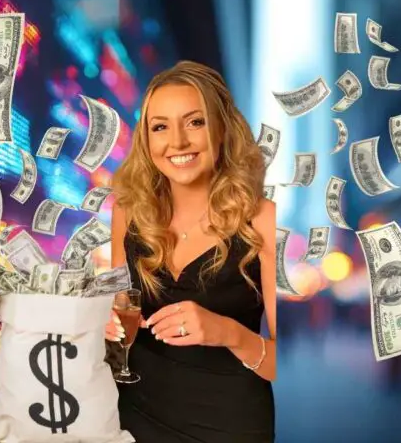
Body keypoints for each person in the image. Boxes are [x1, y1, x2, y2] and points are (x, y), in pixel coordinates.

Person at [106, 60, 276, 442]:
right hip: (132, 418)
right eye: (160, 126)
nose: (177, 142)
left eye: (195, 122)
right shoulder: (126, 212)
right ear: (147, 140)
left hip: (230, 425)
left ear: (221, 130)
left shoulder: (263, 219)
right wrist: (104, 327)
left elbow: (281, 366)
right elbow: (119, 324)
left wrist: (227, 332)